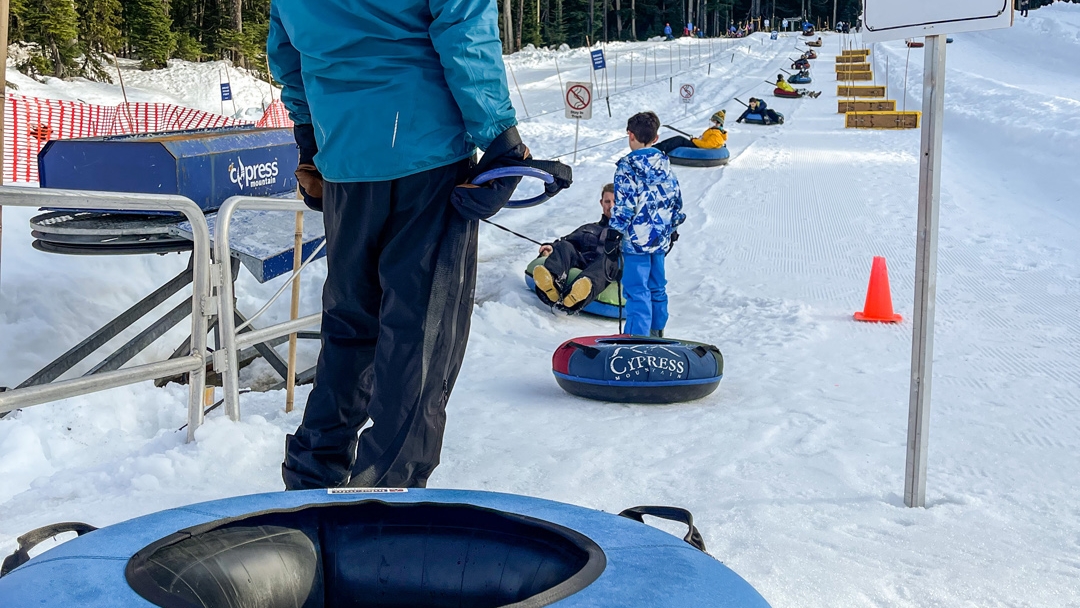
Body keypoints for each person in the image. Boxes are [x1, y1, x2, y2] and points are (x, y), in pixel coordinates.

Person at [268, 0, 559, 490]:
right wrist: (501, 139)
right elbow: (464, 28)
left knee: (350, 326)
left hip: (344, 161)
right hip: (426, 157)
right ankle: (388, 491)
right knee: (420, 335)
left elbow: (287, 49)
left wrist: (308, 140)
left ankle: (313, 471)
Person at [611, 112, 685, 338]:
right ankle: (656, 332)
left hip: (635, 241)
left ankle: (637, 339)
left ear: (630, 135)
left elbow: (625, 204)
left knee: (637, 290)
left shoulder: (627, 167)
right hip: (659, 239)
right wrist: (672, 228)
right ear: (656, 137)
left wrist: (614, 232)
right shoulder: (666, 165)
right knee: (657, 287)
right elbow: (675, 199)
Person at [532, 184, 620, 312]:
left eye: (615, 201)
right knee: (565, 245)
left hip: (604, 269)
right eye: (607, 201)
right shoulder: (589, 228)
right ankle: (552, 282)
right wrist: (551, 248)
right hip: (583, 262)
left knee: (610, 256)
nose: (611, 206)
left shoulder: (629, 233)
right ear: (601, 203)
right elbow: (567, 241)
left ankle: (580, 292)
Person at [653, 110, 727, 155]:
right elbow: (704, 140)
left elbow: (706, 145)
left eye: (712, 121)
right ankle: (657, 147)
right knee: (678, 139)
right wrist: (696, 139)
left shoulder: (717, 134)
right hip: (697, 144)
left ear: (718, 123)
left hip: (698, 147)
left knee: (678, 140)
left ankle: (657, 149)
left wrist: (694, 140)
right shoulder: (713, 130)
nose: (710, 122)